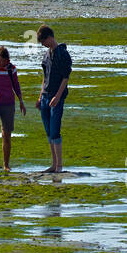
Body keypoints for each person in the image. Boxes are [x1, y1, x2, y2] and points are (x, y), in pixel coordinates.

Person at [36, 25, 72, 175]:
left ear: (50, 38)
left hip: (56, 97)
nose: (43, 44)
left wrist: (57, 96)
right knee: (49, 131)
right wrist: (40, 96)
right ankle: (53, 163)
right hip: (45, 97)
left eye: (43, 41)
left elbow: (66, 77)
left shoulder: (63, 54)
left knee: (55, 130)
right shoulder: (46, 55)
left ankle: (59, 165)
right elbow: (44, 78)